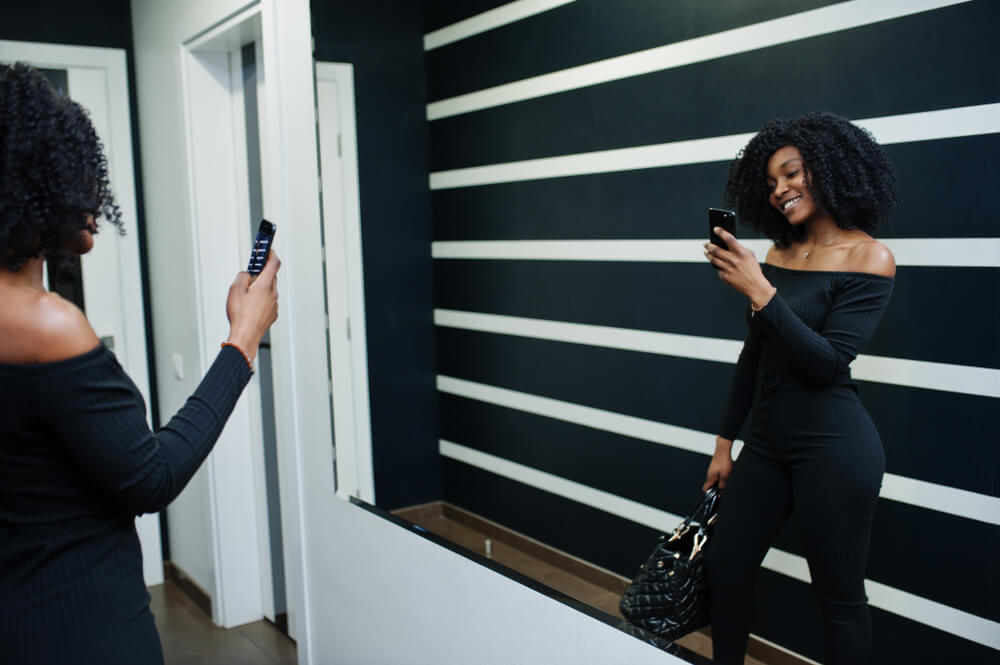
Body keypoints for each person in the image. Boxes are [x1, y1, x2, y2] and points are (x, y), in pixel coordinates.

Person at [0, 63, 280, 664]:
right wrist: (243, 340)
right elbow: (151, 476)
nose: (92, 192)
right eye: (72, 169)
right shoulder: (45, 325)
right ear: (31, 180)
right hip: (83, 627)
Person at [701, 111, 897, 665]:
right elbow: (755, 353)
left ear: (831, 168)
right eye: (770, 184)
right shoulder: (779, 255)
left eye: (792, 173)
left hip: (834, 449)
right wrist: (724, 442)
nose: (781, 190)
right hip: (766, 444)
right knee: (726, 567)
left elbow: (828, 364)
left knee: (838, 601)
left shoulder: (870, 257)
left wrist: (761, 292)